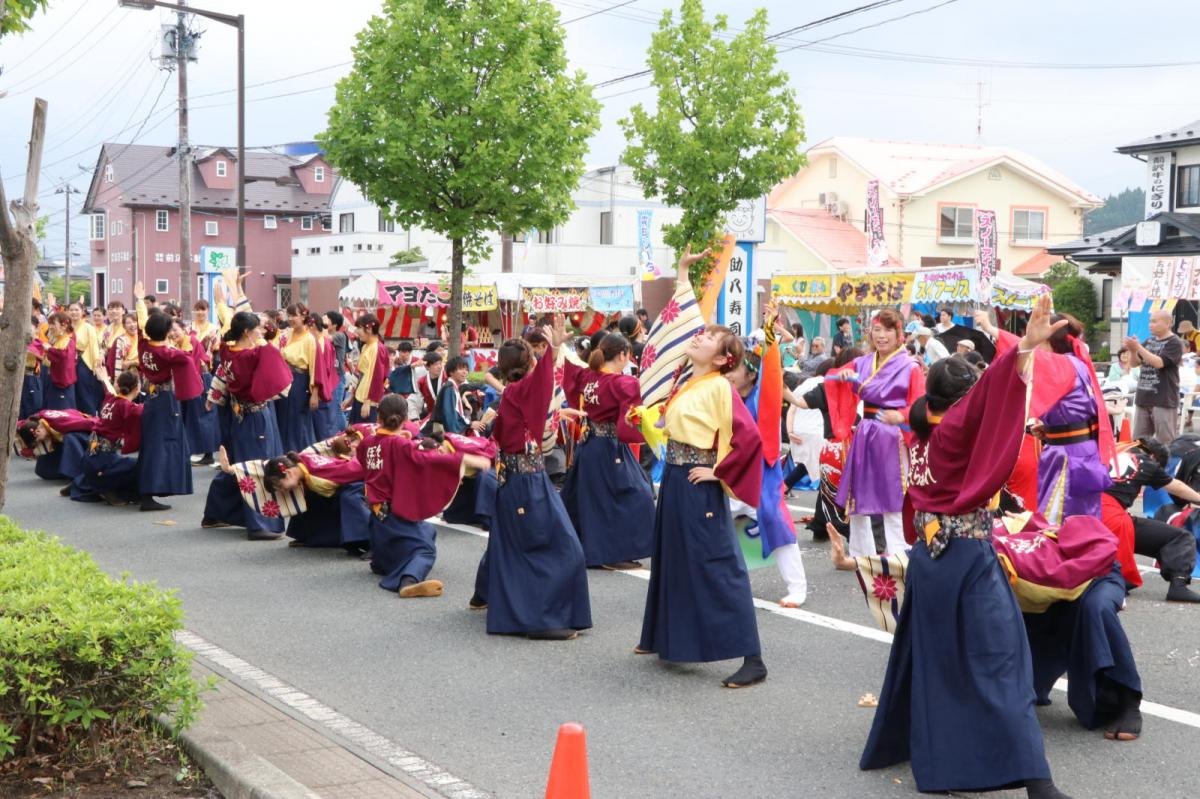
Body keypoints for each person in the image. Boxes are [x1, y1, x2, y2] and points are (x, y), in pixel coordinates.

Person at [861, 295, 1073, 799]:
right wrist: (1021, 349)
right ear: (963, 401)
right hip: (967, 559)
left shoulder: (918, 434)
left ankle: (938, 760)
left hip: (930, 562)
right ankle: (1037, 782)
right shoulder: (956, 428)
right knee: (1002, 662)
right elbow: (990, 397)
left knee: (938, 663)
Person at [635, 247, 766, 688]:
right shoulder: (687, 380)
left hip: (696, 482)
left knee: (717, 565)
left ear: (724, 358)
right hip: (675, 478)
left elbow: (750, 439)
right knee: (673, 559)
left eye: (709, 338)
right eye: (702, 333)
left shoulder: (719, 388)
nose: (699, 337)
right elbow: (681, 321)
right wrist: (682, 273)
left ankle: (753, 657)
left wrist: (720, 473)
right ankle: (664, 637)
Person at [470, 318, 592, 640]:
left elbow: (532, 412)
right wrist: (554, 348)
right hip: (526, 483)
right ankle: (540, 620)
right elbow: (543, 383)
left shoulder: (513, 393)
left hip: (515, 481)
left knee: (510, 544)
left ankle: (485, 594)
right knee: (559, 548)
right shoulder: (522, 390)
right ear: (529, 364)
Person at [828, 309, 925, 557]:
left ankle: (899, 557)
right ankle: (861, 557)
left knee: (893, 500)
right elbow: (831, 378)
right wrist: (843, 376)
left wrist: (902, 415)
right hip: (865, 433)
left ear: (899, 333)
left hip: (892, 437)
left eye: (888, 330)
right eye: (877, 330)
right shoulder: (863, 362)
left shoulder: (910, 366)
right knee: (858, 499)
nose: (881, 336)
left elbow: (920, 404)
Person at [726, 320, 808, 608]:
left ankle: (797, 587)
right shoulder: (723, 393)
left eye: (734, 368)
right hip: (729, 472)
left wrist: (771, 336)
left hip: (760, 473)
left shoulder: (762, 395)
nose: (728, 373)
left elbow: (773, 376)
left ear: (751, 373)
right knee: (709, 523)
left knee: (775, 521)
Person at [559, 332, 655, 570]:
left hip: (589, 445)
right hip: (609, 447)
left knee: (592, 499)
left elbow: (570, 379)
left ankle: (589, 550)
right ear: (623, 355)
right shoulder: (622, 383)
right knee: (636, 494)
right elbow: (632, 417)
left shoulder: (588, 376)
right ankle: (610, 553)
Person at [202, 309, 295, 538]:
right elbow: (274, 366)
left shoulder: (228, 350)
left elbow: (222, 374)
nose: (261, 333)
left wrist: (214, 396)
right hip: (254, 415)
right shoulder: (250, 356)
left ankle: (215, 511)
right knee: (258, 466)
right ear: (247, 332)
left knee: (239, 463)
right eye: (257, 329)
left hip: (239, 414)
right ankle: (258, 524)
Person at [1028, 314, 1114, 523]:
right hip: (1080, 449)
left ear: (1048, 338)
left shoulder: (1059, 364)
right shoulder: (1077, 362)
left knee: (1056, 522)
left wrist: (992, 330)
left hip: (1068, 455)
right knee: (1082, 520)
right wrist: (1051, 429)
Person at [1101, 438, 1200, 602]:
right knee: (1180, 537)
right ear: (1154, 457)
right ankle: (1179, 586)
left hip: (1081, 517)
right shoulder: (1146, 462)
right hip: (1112, 520)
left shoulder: (1109, 449)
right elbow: (1176, 487)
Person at [134, 286, 202, 511]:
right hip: (165, 400)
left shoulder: (143, 345)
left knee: (151, 443)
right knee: (163, 445)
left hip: (151, 398)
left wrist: (140, 301)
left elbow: (141, 325)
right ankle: (150, 492)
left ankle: (146, 490)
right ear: (165, 332)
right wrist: (186, 340)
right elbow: (188, 357)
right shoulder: (168, 353)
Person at [73, 371, 144, 506]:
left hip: (90, 456)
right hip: (102, 463)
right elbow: (145, 411)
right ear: (137, 388)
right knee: (139, 465)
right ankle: (108, 490)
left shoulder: (109, 400)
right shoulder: (127, 407)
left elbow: (108, 389)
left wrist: (105, 378)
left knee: (117, 461)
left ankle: (82, 484)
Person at [1127, 309, 1183, 444]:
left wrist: (1138, 347)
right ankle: (1144, 458)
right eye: (1149, 321)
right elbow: (1134, 363)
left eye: (1154, 322)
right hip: (1143, 397)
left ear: (1168, 323)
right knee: (1140, 441)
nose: (1150, 325)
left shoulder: (1175, 342)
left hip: (1164, 399)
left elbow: (1159, 363)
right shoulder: (1149, 341)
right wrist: (1133, 351)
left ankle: (1164, 459)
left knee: (1165, 441)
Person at [277, 304, 319, 452]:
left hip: (299, 381)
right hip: (282, 379)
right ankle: (283, 453)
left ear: (303, 316)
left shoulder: (309, 339)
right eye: (288, 315)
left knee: (297, 419)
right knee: (282, 416)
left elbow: (314, 368)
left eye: (294, 315)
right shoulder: (285, 335)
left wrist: (315, 393)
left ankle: (300, 453)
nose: (290, 319)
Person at [15, 408, 95, 483]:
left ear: (38, 432)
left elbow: (90, 423)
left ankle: (79, 474)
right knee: (43, 471)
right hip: (65, 431)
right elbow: (21, 424)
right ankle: (62, 471)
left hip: (85, 434)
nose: (39, 442)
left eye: (38, 440)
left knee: (70, 438)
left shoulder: (62, 424)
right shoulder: (39, 418)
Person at [348, 314, 389, 423]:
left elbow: (378, 378)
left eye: (359, 328)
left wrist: (368, 402)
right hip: (360, 397)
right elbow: (359, 373)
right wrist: (351, 397)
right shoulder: (366, 346)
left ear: (369, 329)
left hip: (367, 401)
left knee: (364, 431)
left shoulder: (377, 348)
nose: (357, 331)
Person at [68, 301, 104, 415]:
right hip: (68, 362)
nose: (74, 312)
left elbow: (94, 347)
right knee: (71, 393)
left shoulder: (88, 327)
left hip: (83, 361)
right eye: (71, 310)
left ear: (82, 311)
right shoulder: (66, 327)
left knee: (84, 393)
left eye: (76, 310)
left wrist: (96, 364)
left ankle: (89, 419)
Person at [42, 311, 78, 411]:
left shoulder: (68, 341)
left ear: (64, 326)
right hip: (55, 383)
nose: (50, 327)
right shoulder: (59, 340)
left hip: (63, 386)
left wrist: (50, 349)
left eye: (53, 324)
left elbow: (64, 357)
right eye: (50, 324)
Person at [387, 340, 416, 412]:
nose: (402, 355)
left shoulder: (415, 362)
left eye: (393, 355)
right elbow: (387, 384)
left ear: (410, 352)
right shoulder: (395, 363)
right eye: (400, 352)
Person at [416, 351, 445, 421]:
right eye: (435, 364)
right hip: (431, 416)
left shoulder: (448, 378)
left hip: (447, 415)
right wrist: (415, 418)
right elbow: (417, 401)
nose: (439, 367)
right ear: (427, 367)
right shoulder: (421, 382)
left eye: (440, 363)